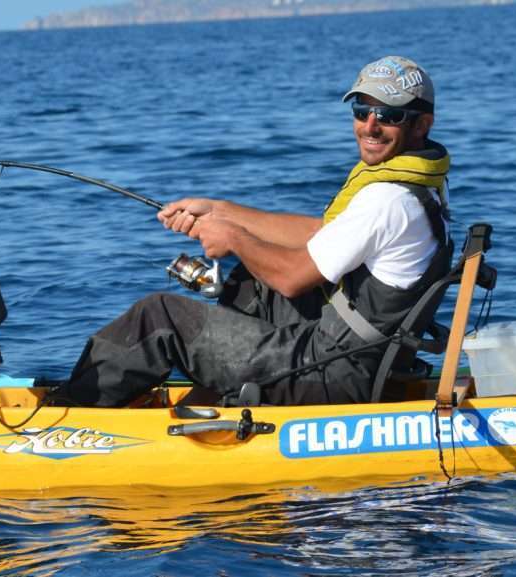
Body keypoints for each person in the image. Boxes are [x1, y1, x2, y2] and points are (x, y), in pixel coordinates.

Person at [59, 56, 453, 407]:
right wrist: (221, 211)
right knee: (252, 284)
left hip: (333, 374)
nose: (370, 125)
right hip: (362, 359)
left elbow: (291, 278)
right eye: (362, 109)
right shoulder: (417, 186)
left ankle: (68, 419)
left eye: (389, 116)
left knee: (159, 317)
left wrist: (233, 238)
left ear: (422, 124)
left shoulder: (387, 200)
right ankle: (210, 400)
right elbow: (322, 234)